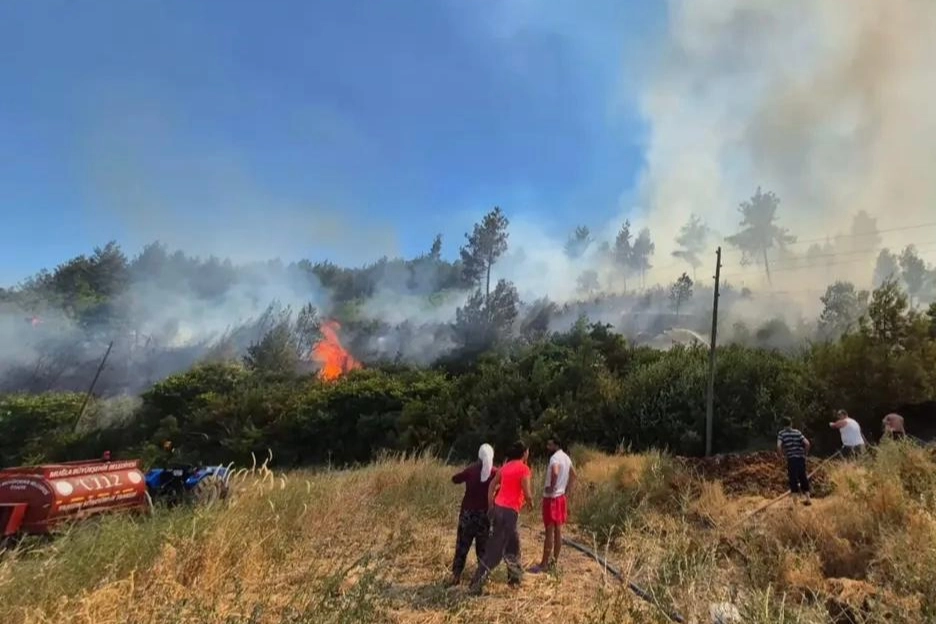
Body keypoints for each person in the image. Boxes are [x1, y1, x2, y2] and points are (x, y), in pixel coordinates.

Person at [469, 440, 534, 595]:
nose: (528, 454)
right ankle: (476, 583)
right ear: (523, 453)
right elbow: (526, 490)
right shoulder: (524, 469)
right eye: (527, 451)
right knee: (497, 550)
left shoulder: (504, 468)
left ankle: (514, 581)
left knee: (512, 545)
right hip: (509, 513)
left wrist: (491, 505)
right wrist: (530, 502)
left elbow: (492, 486)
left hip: (499, 508)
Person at [448, 443, 497, 586]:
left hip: (467, 515)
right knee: (483, 549)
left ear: (479, 457)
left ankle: (456, 576)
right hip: (485, 516)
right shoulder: (494, 472)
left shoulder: (471, 470)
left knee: (462, 546)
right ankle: (482, 579)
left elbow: (455, 479)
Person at [529, 437, 576, 573]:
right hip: (561, 498)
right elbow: (573, 475)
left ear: (556, 445)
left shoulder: (554, 458)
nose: (547, 447)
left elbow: (555, 472)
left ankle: (544, 563)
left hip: (551, 499)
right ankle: (554, 562)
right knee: (558, 531)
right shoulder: (566, 458)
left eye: (550, 444)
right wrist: (567, 491)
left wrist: (552, 486)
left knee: (549, 531)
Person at [777, 419, 812, 506]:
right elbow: (807, 443)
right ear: (791, 424)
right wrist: (805, 453)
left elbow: (778, 446)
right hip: (801, 458)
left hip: (792, 459)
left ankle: (795, 503)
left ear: (783, 425)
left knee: (793, 479)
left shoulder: (782, 433)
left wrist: (781, 456)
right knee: (803, 477)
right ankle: (808, 499)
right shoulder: (797, 432)